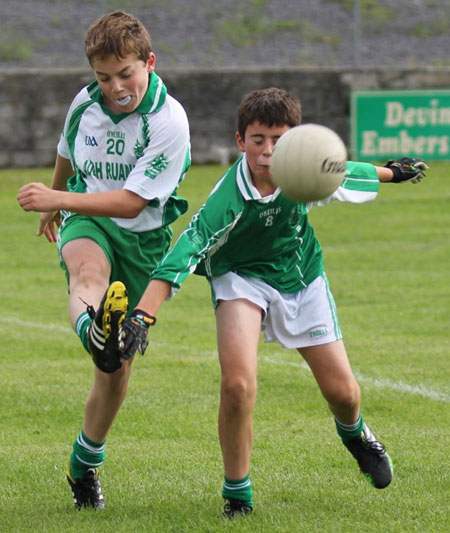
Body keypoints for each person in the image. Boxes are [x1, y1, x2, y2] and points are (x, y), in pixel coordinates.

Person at [118, 88, 428, 518]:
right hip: (240, 280)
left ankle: (356, 435)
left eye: (279, 140)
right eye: (258, 139)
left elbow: (345, 170)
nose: (267, 151)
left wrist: (393, 172)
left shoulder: (305, 170)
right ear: (241, 141)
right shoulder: (228, 200)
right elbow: (184, 251)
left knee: (344, 394)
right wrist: (142, 314)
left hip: (299, 275)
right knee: (238, 385)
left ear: (296, 142)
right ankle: (238, 494)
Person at [17, 10, 191, 510]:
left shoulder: (168, 120)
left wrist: (58, 201)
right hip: (89, 220)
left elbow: (133, 202)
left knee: (114, 374)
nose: (115, 86)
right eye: (103, 77)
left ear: (150, 63)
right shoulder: (85, 102)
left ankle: (84, 463)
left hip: (145, 240)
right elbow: (67, 150)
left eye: (125, 74)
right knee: (87, 272)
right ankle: (93, 329)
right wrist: (57, 197)